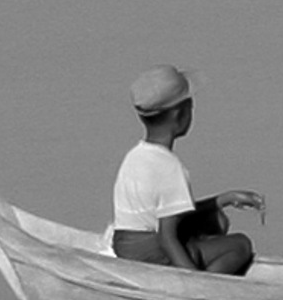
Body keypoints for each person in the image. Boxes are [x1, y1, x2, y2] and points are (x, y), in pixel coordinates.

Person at [109, 66, 265, 275]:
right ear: (180, 113)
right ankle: (211, 285)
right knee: (240, 245)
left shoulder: (135, 156)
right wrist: (191, 279)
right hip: (151, 252)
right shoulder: (170, 167)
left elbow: (167, 214)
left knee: (217, 221)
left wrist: (225, 199)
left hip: (125, 246)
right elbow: (167, 238)